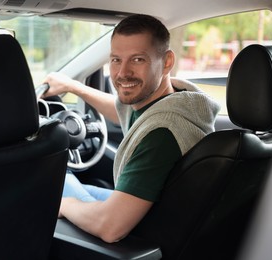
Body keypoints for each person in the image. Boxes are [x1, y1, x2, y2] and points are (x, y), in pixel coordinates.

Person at [42, 14, 220, 243]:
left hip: (140, 233)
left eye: (137, 60)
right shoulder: (175, 101)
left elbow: (111, 228)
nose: (122, 73)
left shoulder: (162, 133)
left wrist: (66, 206)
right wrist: (74, 87)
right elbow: (122, 113)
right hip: (157, 214)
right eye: (116, 60)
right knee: (67, 183)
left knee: (54, 185)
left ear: (166, 62)